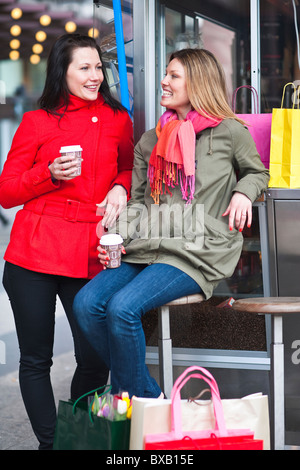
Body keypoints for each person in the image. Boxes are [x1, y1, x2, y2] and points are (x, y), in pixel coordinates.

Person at [73, 48, 269, 400]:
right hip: (146, 246)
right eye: (166, 74)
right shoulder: (150, 140)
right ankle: (148, 395)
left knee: (122, 307)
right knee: (87, 304)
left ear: (198, 83)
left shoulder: (229, 132)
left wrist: (243, 192)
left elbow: (257, 172)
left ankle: (136, 401)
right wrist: (118, 237)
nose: (163, 81)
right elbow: (137, 199)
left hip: (195, 251)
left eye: (173, 75)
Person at [0, 34, 134, 449]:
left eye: (98, 67)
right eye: (84, 68)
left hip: (91, 253)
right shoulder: (38, 121)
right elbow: (6, 192)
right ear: (64, 70)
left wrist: (121, 187)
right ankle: (53, 442)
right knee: (35, 359)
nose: (95, 76)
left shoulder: (118, 118)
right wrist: (49, 174)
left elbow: (130, 167)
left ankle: (80, 437)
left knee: (95, 359)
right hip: (34, 252)